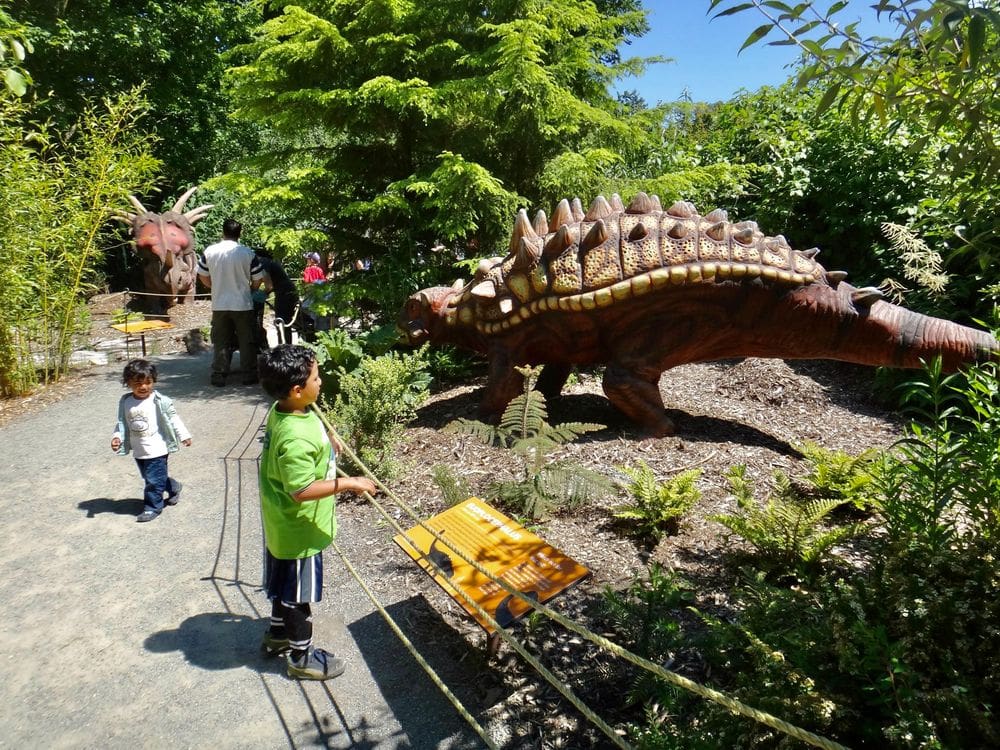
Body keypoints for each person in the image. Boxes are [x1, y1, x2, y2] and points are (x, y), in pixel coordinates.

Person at [256, 345, 377, 680]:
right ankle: (301, 657)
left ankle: (278, 635)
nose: (320, 382)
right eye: (315, 377)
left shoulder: (285, 410)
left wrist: (328, 438)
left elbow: (310, 432)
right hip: (299, 531)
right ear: (297, 390)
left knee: (283, 587)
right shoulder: (294, 438)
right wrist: (350, 482)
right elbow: (301, 490)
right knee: (298, 599)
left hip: (280, 525)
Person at [111, 359, 192, 523]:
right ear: (128, 383)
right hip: (139, 450)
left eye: (148, 382)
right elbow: (122, 423)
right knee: (151, 477)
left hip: (158, 448)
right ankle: (174, 487)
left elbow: (173, 418)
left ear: (153, 381)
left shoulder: (159, 401)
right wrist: (117, 437)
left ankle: (152, 507)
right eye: (137, 383)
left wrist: (184, 435)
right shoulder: (126, 402)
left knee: (153, 480)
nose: (143, 387)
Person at [197, 218, 264, 386]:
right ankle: (248, 374)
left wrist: (214, 287)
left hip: (219, 303)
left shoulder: (210, 251)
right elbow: (258, 278)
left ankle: (219, 374)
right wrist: (251, 289)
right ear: (239, 234)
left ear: (223, 232)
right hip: (242, 303)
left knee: (220, 340)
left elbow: (202, 275)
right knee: (246, 340)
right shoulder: (247, 253)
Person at [254, 248, 300, 346]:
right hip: (288, 291)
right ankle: (285, 346)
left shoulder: (263, 262)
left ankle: (284, 348)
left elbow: (268, 285)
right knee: (284, 322)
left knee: (281, 322)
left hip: (284, 293)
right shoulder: (270, 262)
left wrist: (260, 295)